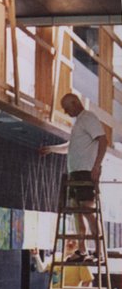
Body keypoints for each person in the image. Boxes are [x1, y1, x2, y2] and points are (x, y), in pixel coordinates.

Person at [39, 93, 109, 260]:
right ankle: (82, 249)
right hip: (75, 173)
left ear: (75, 103)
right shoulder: (79, 122)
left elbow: (103, 140)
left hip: (85, 171)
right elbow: (70, 147)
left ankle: (99, 251)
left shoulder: (88, 118)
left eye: (66, 108)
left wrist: (96, 166)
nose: (65, 111)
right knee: (76, 211)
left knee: (87, 210)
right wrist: (51, 149)